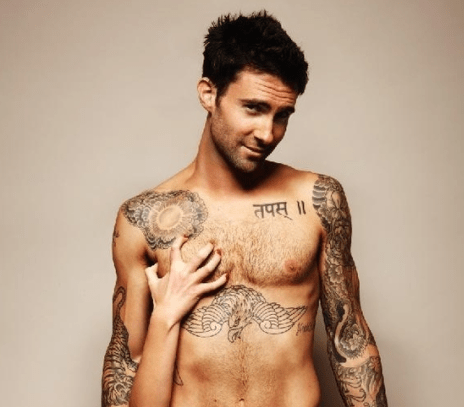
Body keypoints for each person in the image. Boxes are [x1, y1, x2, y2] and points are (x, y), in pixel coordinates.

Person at [101, 10, 388, 407]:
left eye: (282, 115)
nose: (268, 133)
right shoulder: (144, 218)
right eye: (253, 108)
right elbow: (126, 366)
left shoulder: (317, 201)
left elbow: (348, 339)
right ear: (208, 94)